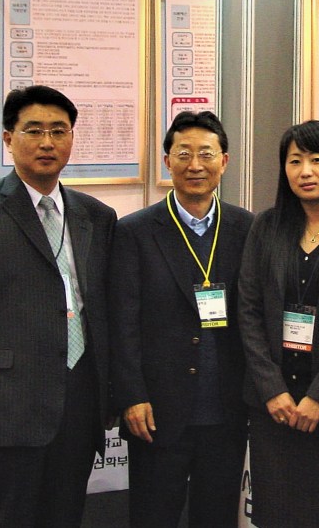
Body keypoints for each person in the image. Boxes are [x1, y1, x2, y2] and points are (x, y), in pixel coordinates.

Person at [0, 85, 117, 528]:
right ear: (8, 138)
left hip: (78, 403)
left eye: (59, 131)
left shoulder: (96, 215)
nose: (47, 142)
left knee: (65, 516)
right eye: (33, 130)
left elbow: (103, 309)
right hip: (5, 408)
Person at [109, 111, 254, 528]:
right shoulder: (135, 231)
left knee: (216, 516)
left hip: (225, 411)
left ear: (224, 161)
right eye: (183, 154)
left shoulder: (246, 228)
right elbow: (122, 322)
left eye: (206, 154)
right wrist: (132, 396)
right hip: (157, 411)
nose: (195, 165)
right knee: (153, 516)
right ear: (167, 161)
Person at [238, 121, 319, 527]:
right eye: (295, 161)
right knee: (276, 512)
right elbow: (249, 311)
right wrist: (272, 389)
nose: (305, 171)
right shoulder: (266, 227)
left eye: (317, 160)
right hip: (272, 407)